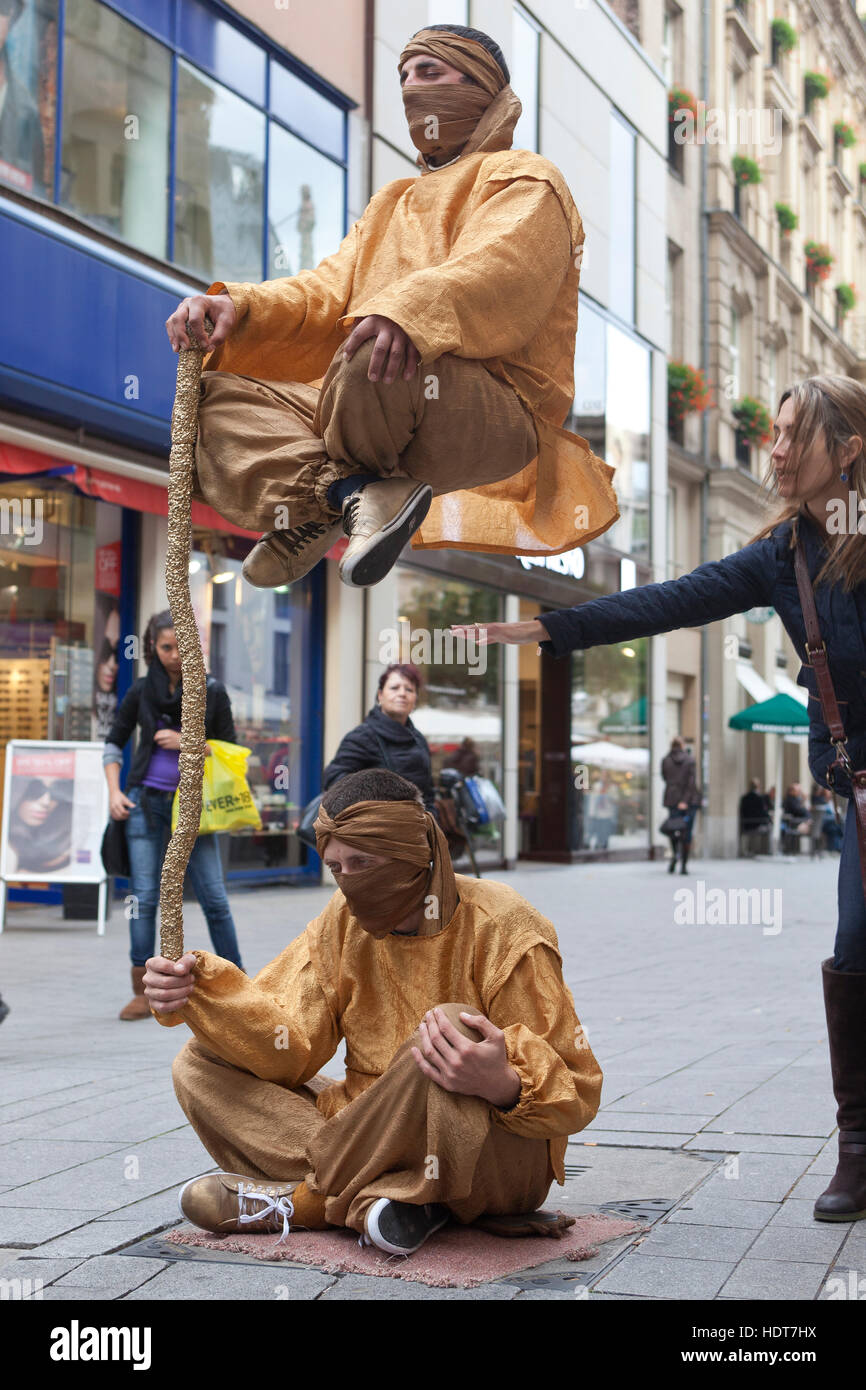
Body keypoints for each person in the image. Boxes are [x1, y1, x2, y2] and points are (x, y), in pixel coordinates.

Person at [453, 375, 866, 1224]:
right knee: (856, 946)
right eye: (775, 432)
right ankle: (859, 1147)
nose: (775, 449)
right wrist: (553, 627)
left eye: (794, 435)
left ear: (850, 451)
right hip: (859, 793)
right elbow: (673, 600)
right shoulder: (784, 554)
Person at [164, 24, 615, 592]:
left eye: (429, 73)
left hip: (491, 407)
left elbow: (502, 269)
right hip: (365, 395)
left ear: (481, 85)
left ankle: (346, 494)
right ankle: (343, 497)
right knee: (214, 397)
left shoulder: (527, 177)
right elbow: (323, 292)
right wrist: (236, 306)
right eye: (403, 75)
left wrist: (407, 314)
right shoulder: (389, 203)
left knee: (375, 346)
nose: (410, 89)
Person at [143, 769, 602, 1254]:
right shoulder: (341, 919)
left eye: (362, 862)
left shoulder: (504, 924)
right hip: (364, 1126)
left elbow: (579, 1089)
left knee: (450, 1030)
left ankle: (311, 1201)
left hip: (487, 1154)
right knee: (198, 1063)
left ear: (411, 852)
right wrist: (201, 994)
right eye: (337, 867)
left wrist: (502, 1083)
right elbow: (288, 1048)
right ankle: (391, 1199)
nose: (348, 882)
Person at [104, 610, 244, 1021]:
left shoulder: (211, 691)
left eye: (182, 644)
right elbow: (113, 744)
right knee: (143, 898)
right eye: (166, 647)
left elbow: (232, 750)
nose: (176, 654)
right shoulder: (141, 691)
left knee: (214, 898)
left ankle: (239, 984)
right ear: (153, 647)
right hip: (144, 803)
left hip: (195, 808)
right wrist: (114, 792)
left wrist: (189, 742)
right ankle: (143, 990)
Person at [322, 662, 436, 816]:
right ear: (380, 695)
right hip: (377, 831)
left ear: (415, 699)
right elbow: (334, 780)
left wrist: (432, 825)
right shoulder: (362, 736)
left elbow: (428, 793)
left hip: (418, 832)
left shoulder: (418, 739)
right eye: (394, 688)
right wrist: (377, 802)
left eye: (409, 689)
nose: (402, 693)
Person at [6, 775, 73, 874]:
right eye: (35, 791)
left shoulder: (69, 852)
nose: (46, 802)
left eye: (55, 794)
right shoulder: (7, 849)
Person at [661, 736, 701, 875]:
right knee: (687, 833)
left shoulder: (666, 760)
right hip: (689, 802)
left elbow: (665, 778)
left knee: (674, 830)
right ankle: (683, 864)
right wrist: (684, 801)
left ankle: (675, 855)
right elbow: (691, 783)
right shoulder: (690, 760)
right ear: (682, 745)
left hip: (672, 800)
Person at [739, 778, 771, 856]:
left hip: (746, 824)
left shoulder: (744, 798)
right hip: (757, 824)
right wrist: (769, 819)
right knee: (770, 827)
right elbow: (763, 812)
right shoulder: (759, 798)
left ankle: (751, 850)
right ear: (758, 786)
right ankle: (766, 850)